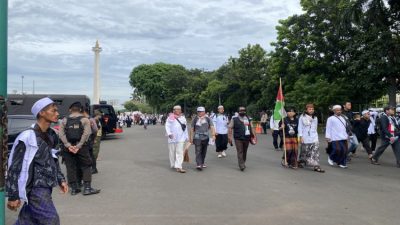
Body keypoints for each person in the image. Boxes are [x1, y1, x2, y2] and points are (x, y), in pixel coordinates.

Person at [6, 97, 68, 225]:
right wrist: (13, 195)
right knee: (51, 220)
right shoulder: (27, 137)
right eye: (53, 110)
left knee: (27, 221)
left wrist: (61, 179)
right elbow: (14, 167)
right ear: (41, 113)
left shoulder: (52, 135)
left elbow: (53, 160)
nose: (57, 113)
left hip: (47, 186)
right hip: (35, 188)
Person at [59, 102, 100, 195]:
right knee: (86, 166)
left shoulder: (64, 120)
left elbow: (61, 134)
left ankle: (74, 189)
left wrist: (68, 145)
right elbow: (87, 133)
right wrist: (79, 145)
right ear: (80, 109)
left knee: (70, 167)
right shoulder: (85, 120)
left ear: (70, 110)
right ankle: (87, 188)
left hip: (67, 148)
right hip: (82, 147)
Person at [298, 104, 324, 172]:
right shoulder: (302, 117)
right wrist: (300, 136)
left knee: (315, 151)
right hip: (305, 136)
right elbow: (300, 127)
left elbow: (315, 127)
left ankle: (316, 165)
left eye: (312, 109)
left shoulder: (315, 117)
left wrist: (316, 136)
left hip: (314, 136)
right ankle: (301, 161)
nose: (311, 110)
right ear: (306, 110)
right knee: (304, 151)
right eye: (310, 109)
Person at [228, 106, 256, 171]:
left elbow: (252, 128)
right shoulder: (234, 119)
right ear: (238, 112)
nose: (242, 112)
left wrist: (254, 136)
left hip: (247, 138)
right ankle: (241, 165)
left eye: (243, 110)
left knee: (244, 151)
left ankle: (243, 162)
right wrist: (229, 137)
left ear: (245, 111)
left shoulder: (248, 119)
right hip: (238, 138)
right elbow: (230, 128)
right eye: (241, 111)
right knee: (240, 151)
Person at [165, 105, 189, 173]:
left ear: (181, 110)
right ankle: (173, 164)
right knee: (172, 152)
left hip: (181, 138)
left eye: (178, 109)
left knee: (180, 152)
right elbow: (167, 126)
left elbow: (185, 128)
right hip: (172, 138)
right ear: (173, 110)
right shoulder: (170, 117)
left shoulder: (183, 118)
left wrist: (187, 137)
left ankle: (179, 166)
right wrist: (169, 133)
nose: (177, 110)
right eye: (175, 109)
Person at [83, 107, 99, 174]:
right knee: (89, 154)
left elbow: (95, 130)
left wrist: (93, 137)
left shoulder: (90, 119)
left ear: (84, 112)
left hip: (89, 139)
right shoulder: (86, 119)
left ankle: (94, 168)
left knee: (90, 154)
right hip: (87, 139)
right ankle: (91, 168)